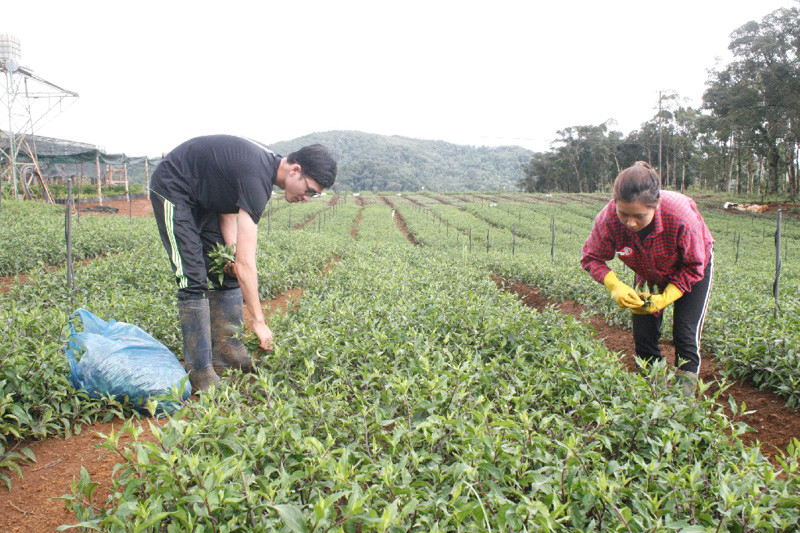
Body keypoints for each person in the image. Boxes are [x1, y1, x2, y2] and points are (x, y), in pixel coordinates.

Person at [149, 135, 337, 392]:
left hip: (204, 198)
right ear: (295, 170)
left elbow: (227, 208)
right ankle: (199, 370)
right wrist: (258, 320)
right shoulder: (257, 178)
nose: (306, 198)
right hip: (175, 186)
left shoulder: (264, 170)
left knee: (223, 271)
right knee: (192, 275)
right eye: (310, 191)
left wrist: (229, 252)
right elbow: (247, 263)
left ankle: (227, 353)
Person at [581, 161, 714, 397]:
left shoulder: (680, 217)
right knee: (643, 332)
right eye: (624, 214)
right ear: (615, 204)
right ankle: (651, 393)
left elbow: (695, 266)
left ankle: (682, 401)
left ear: (656, 205)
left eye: (639, 216)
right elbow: (591, 257)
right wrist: (615, 286)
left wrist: (665, 298)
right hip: (647, 269)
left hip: (689, 269)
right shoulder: (608, 218)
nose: (630, 223)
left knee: (684, 332)